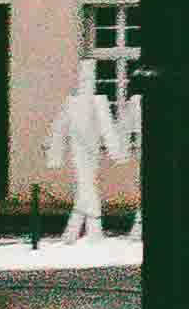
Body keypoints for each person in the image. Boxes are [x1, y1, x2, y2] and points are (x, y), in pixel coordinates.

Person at [44, 66, 135, 242]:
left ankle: (79, 231)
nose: (85, 83)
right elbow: (60, 128)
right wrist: (55, 155)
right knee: (86, 184)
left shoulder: (98, 102)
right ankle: (91, 230)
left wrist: (116, 152)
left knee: (86, 184)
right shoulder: (71, 103)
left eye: (88, 79)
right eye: (83, 79)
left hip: (91, 150)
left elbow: (106, 128)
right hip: (78, 149)